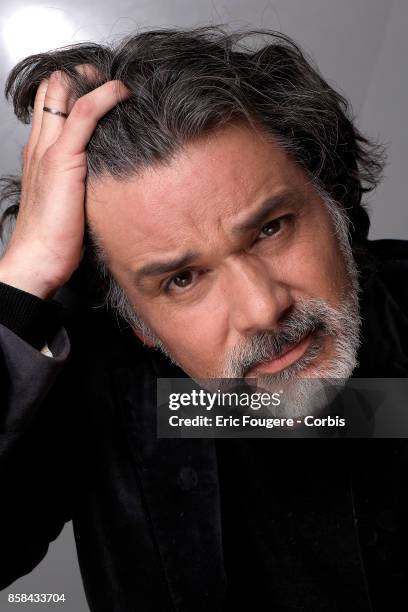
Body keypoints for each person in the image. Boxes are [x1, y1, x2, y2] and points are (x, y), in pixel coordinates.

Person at [0, 25, 407, 611]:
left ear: (332, 202)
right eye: (182, 280)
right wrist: (24, 280)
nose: (264, 308)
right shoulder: (99, 393)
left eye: (272, 228)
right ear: (133, 318)